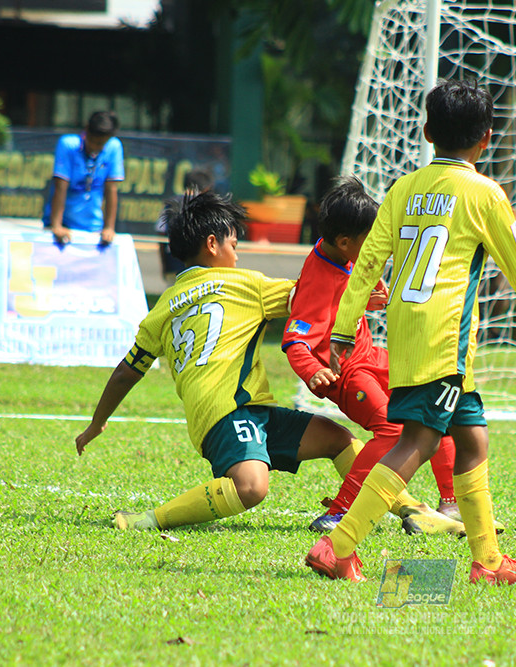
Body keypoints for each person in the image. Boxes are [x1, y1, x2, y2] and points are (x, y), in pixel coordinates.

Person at [305, 79, 516, 584]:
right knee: (420, 441)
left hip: (409, 332)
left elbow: (368, 262)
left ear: (428, 131)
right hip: (443, 339)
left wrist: (345, 329)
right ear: (488, 138)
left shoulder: (403, 188)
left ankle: (489, 563)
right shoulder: (484, 193)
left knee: (472, 440)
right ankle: (338, 546)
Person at [74, 190, 364, 532]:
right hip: (227, 410)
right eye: (235, 247)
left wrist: (97, 423)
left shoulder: (162, 308)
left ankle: (408, 509)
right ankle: (148, 521)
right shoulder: (247, 284)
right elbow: (308, 296)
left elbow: (126, 372)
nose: (237, 258)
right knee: (250, 486)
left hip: (241, 411)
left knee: (339, 439)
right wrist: (353, 284)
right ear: (213, 244)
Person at [283, 175, 475, 536]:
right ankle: (339, 512)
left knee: (438, 396)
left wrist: (361, 296)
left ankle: (450, 503)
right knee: (392, 429)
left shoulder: (337, 254)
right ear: (344, 242)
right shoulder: (318, 282)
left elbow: (341, 289)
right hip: (345, 373)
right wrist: (312, 372)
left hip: (370, 355)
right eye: (369, 240)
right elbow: (296, 339)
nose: (377, 246)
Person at [43, 111, 125, 245]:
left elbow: (111, 189)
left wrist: (109, 228)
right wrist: (56, 225)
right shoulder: (68, 144)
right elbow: (60, 186)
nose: (96, 147)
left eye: (102, 144)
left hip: (93, 227)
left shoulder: (114, 146)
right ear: (86, 130)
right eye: (93, 141)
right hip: (62, 225)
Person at [160, 168, 215, 283]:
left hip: (173, 264)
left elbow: (161, 234)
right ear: (206, 189)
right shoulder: (206, 206)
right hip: (200, 268)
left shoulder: (171, 204)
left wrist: (165, 265)